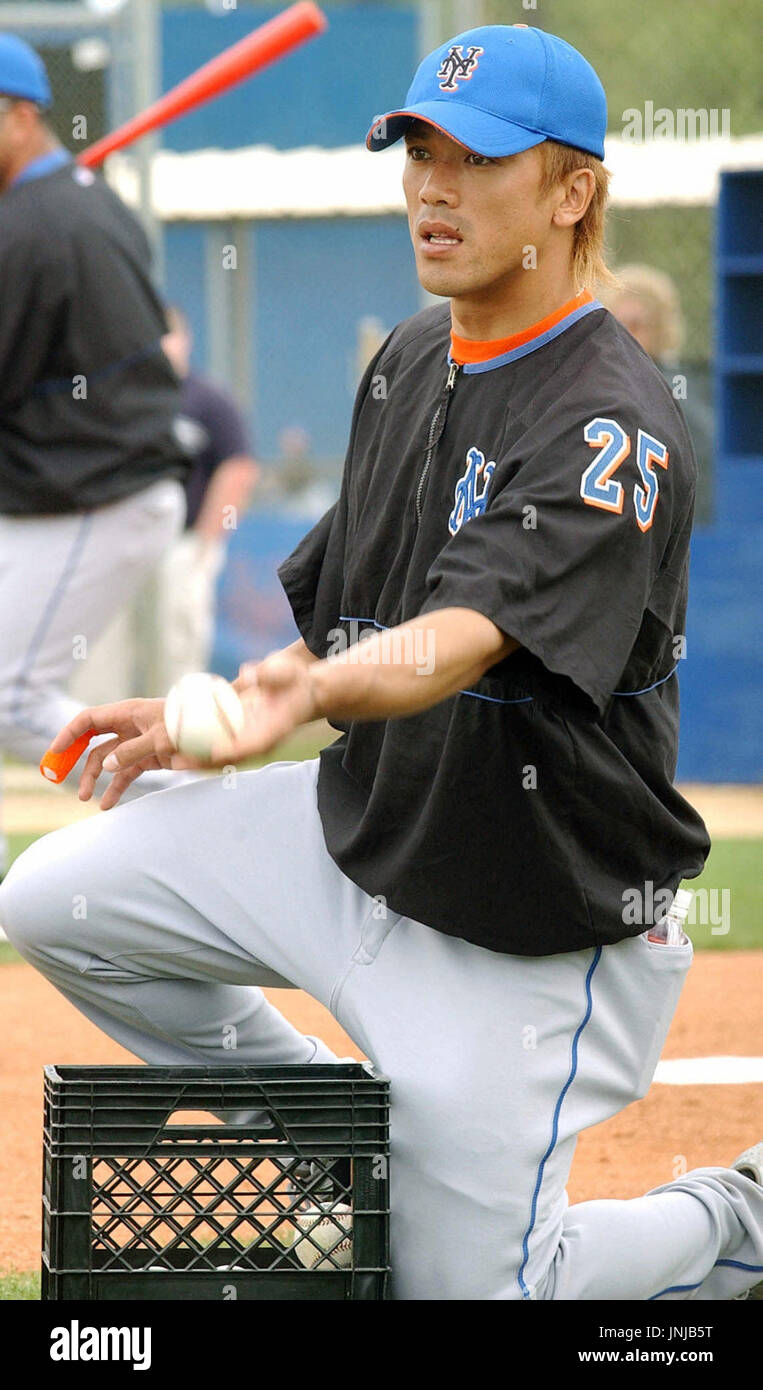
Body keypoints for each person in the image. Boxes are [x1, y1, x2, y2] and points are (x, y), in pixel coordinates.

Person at [2, 25, 762, 1301]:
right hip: (360, 831)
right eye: (417, 150)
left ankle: (731, 1219)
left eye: (476, 159)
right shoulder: (411, 357)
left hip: (531, 915)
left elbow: (453, 644)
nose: (430, 187)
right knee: (54, 899)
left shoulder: (612, 420)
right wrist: (239, 705)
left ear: (572, 192)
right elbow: (352, 623)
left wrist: (294, 696)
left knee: (470, 1297)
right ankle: (329, 1147)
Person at [0, 34, 190, 875]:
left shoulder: (38, 228)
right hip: (82, 487)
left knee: (9, 695)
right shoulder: (74, 205)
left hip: (91, 495)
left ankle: (189, 820)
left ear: (23, 116)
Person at [70, 305, 260, 700]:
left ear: (185, 341)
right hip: (115, 545)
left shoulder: (207, 400)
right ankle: (97, 746)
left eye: (168, 335)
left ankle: (174, 747)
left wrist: (208, 542)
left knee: (175, 649)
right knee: (100, 654)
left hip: (180, 544)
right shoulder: (114, 400)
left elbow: (237, 468)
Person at [602, 264, 714, 519]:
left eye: (636, 325)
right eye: (617, 324)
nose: (625, 336)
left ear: (660, 329)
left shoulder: (677, 393)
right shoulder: (597, 385)